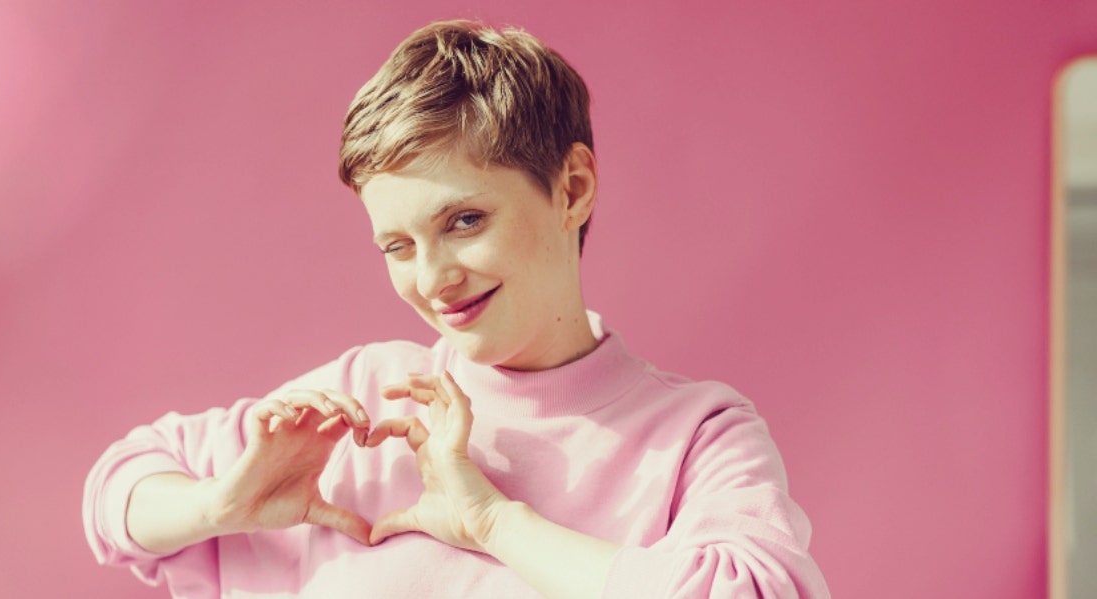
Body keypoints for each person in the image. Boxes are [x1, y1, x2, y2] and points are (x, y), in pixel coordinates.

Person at [83, 20, 831, 598]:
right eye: (397, 246)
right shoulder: (364, 404)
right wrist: (217, 505)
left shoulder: (694, 437)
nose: (434, 278)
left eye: (464, 221)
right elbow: (118, 489)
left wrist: (495, 523)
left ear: (571, 189)